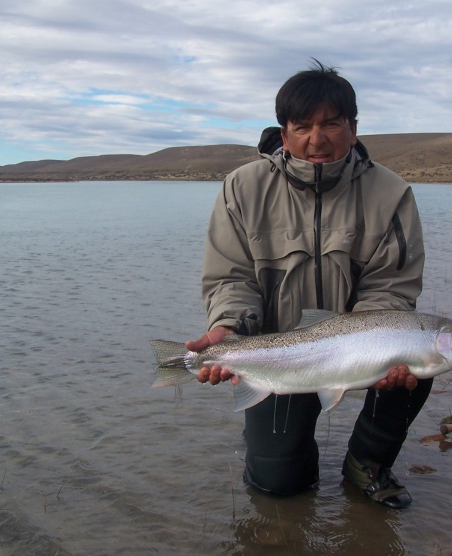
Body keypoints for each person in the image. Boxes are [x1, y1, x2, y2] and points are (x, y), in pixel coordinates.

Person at [185, 60, 432, 508]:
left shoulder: (391, 193)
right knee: (278, 486)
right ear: (284, 134)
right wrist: (230, 329)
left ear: (353, 128)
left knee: (420, 357)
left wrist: (376, 348)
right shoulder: (242, 189)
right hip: (279, 353)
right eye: (302, 126)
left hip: (358, 348)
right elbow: (231, 277)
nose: (317, 139)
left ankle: (367, 464)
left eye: (331, 124)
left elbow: (391, 287)